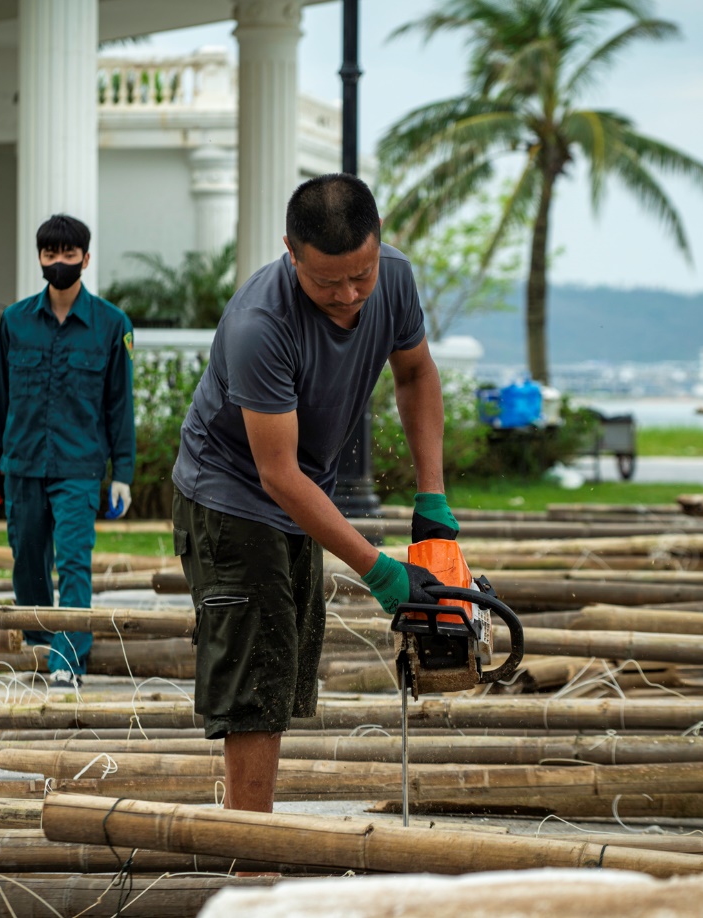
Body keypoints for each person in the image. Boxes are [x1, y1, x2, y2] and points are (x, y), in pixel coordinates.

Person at [170, 174, 460, 811]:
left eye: (361, 275)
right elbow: (277, 474)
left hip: (301, 492)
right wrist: (379, 570)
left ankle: (256, 837)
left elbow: (415, 373)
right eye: (327, 282)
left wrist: (432, 500)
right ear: (290, 251)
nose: (349, 295)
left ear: (378, 247)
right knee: (255, 674)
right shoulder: (260, 323)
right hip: (229, 497)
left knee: (286, 664)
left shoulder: (396, 279)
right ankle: (252, 865)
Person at [0, 214, 136, 691]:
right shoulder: (15, 322)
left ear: (86, 260)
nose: (60, 262)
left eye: (70, 254)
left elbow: (120, 404)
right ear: (41, 258)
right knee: (27, 561)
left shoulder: (112, 325)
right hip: (22, 464)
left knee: (72, 561)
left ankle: (70, 660)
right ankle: (41, 646)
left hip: (80, 468)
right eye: (51, 254)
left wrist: (122, 473)